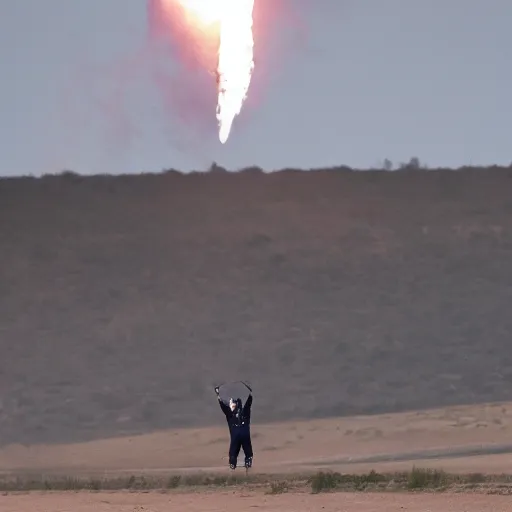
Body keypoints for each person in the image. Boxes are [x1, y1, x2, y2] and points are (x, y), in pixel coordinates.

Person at [215, 384, 253, 470]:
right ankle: (248, 461)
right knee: (247, 450)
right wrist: (250, 394)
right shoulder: (245, 414)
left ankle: (233, 463)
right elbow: (248, 405)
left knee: (233, 451)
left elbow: (223, 407)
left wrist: (218, 395)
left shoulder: (230, 415)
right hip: (244, 434)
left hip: (236, 435)